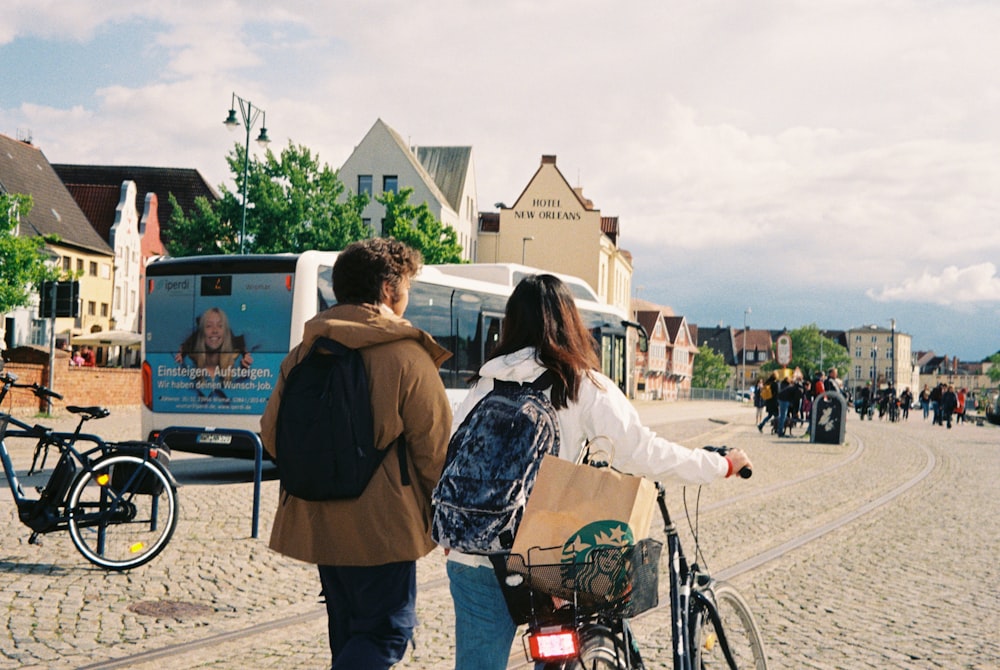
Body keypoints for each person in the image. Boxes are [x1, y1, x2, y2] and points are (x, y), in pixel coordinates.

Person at [443, 274, 752, 670]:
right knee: (561, 650)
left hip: (472, 555)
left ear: (511, 323)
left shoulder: (485, 383)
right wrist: (721, 464)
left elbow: (450, 455)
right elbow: (644, 452)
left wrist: (453, 533)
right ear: (570, 322)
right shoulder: (580, 385)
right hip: (544, 560)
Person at [259, 238, 453, 669]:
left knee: (346, 631)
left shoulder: (305, 351)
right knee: (386, 631)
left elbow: (271, 435)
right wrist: (447, 521)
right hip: (383, 529)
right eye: (406, 285)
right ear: (387, 288)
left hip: (320, 521)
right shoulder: (406, 355)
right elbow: (435, 450)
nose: (407, 296)